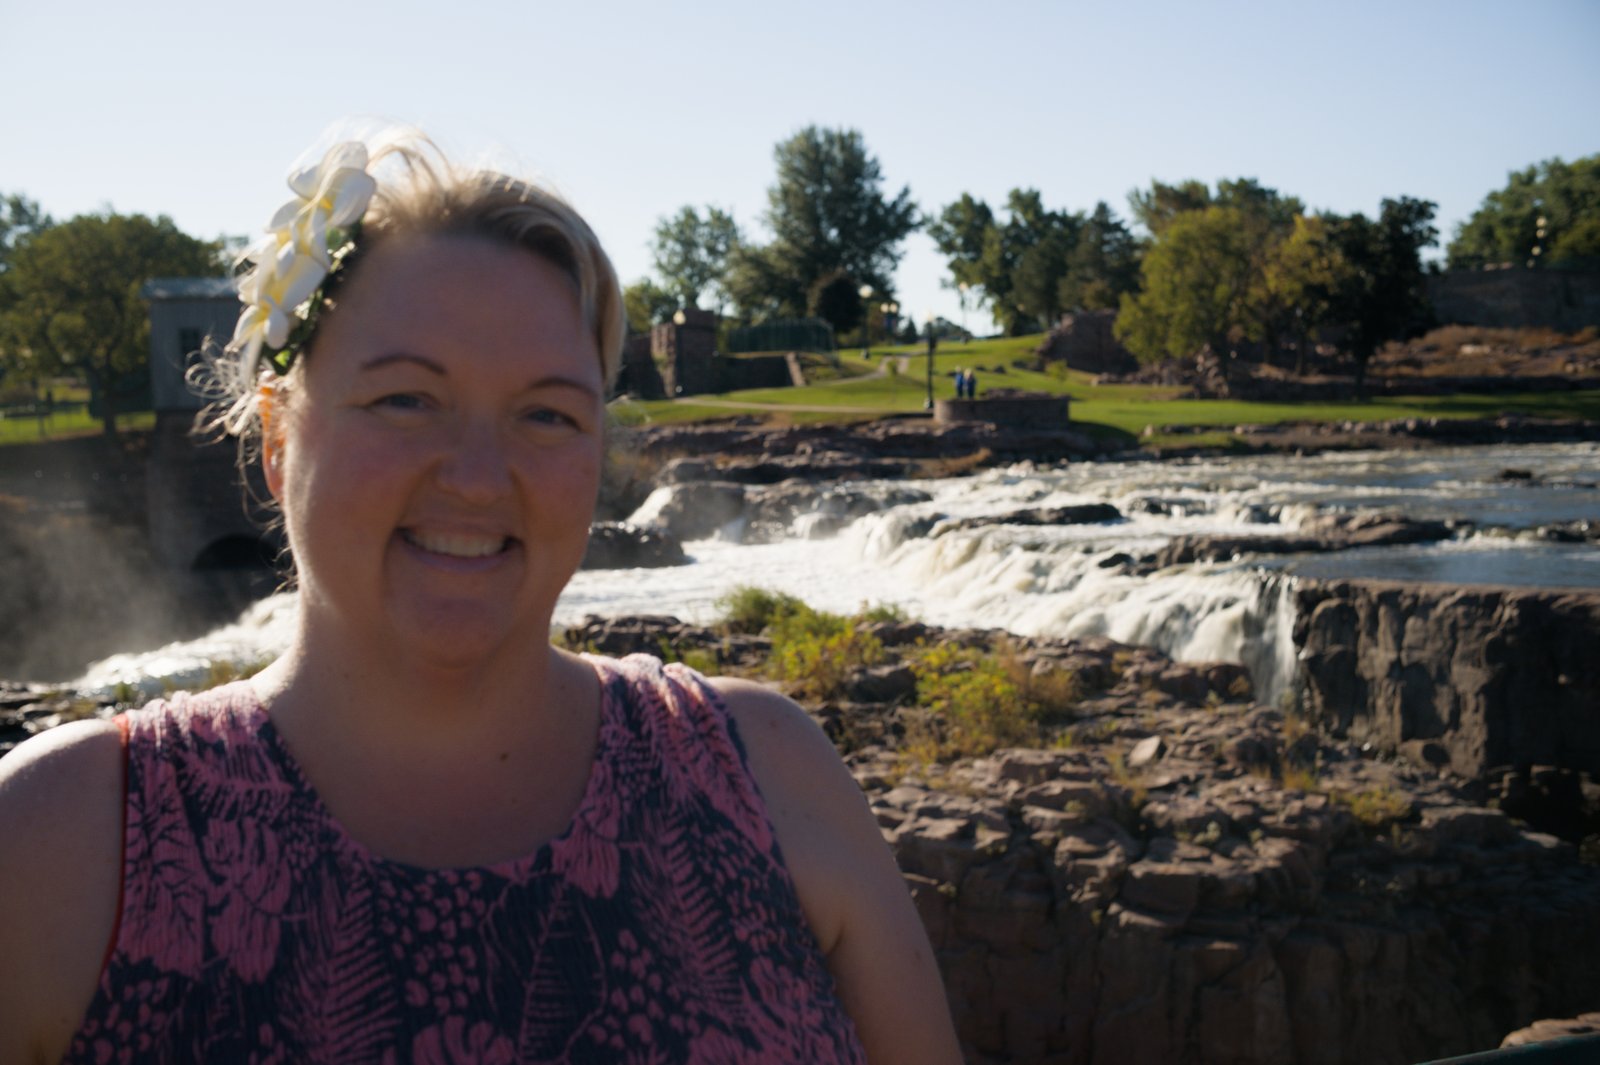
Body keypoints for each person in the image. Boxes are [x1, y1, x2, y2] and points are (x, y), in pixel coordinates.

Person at [0, 129, 962, 1065]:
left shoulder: (772, 776)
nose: (477, 475)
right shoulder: (60, 841)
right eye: (406, 399)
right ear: (278, 435)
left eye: (546, 414)